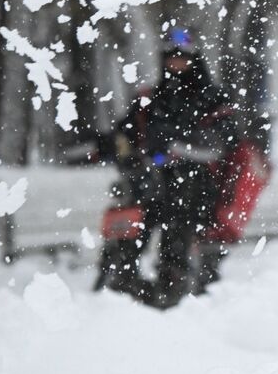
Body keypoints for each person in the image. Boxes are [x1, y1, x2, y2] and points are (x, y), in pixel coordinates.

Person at [94, 27, 244, 307]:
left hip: (193, 187)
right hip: (149, 184)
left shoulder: (211, 98)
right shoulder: (151, 98)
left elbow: (222, 142)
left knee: (177, 235)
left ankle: (174, 293)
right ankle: (120, 288)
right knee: (129, 234)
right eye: (171, 57)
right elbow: (126, 132)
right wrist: (110, 145)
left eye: (182, 57)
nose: (176, 64)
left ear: (194, 59)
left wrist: (179, 149)